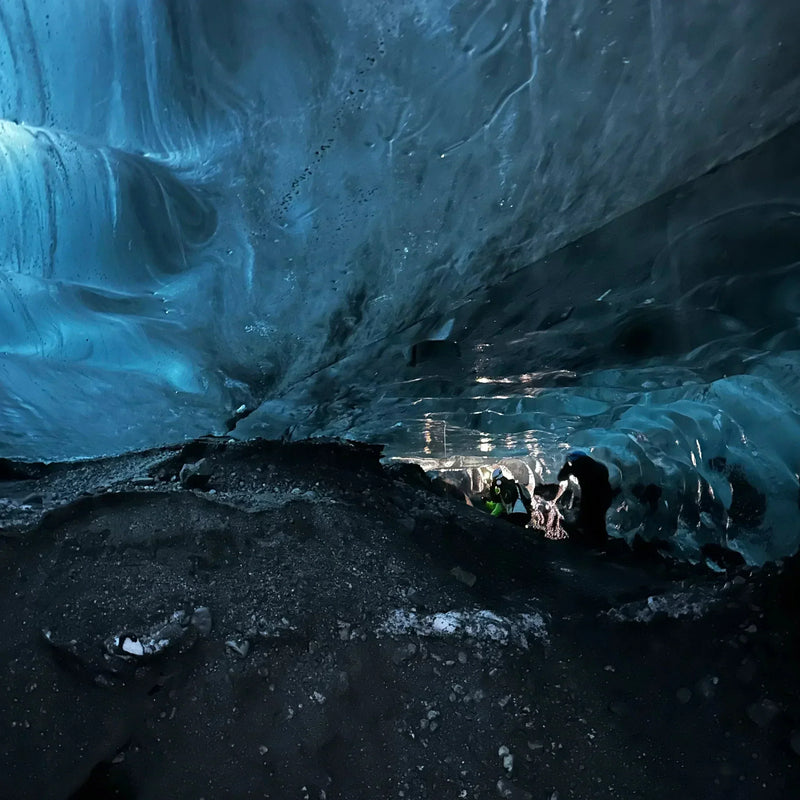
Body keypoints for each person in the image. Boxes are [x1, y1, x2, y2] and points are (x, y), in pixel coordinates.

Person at [556, 451, 613, 547]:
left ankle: (593, 544)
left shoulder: (578, 466)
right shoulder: (600, 466)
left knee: (589, 520)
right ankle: (601, 543)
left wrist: (567, 465)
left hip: (592, 498)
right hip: (605, 497)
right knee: (599, 520)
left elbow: (561, 477)